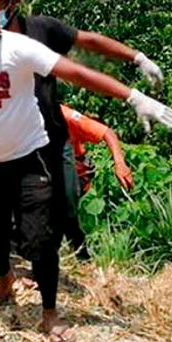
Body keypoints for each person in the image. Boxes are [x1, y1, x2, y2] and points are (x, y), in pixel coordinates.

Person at [0, 0, 172, 342]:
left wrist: (133, 97)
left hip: (29, 158)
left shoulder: (21, 48)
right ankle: (4, 280)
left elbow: (78, 73)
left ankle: (50, 313)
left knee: (40, 240)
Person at [0, 0, 169, 254]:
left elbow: (88, 43)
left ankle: (79, 255)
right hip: (9, 141)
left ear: (13, 2)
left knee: (65, 203)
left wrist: (136, 58)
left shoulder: (41, 31)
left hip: (51, 137)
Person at [59, 104, 134, 257]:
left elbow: (107, 132)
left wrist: (119, 163)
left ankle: (81, 255)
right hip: (43, 173)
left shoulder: (65, 115)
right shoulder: (19, 116)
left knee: (64, 211)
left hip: (76, 173)